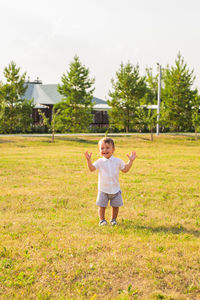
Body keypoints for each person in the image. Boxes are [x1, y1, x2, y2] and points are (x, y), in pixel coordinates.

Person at [84, 137, 136, 226]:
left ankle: (113, 220)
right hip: (103, 189)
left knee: (116, 206)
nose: (105, 150)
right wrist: (89, 161)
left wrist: (130, 161)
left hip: (115, 189)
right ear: (99, 150)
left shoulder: (117, 161)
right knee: (102, 206)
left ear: (113, 149)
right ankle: (102, 220)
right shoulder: (99, 162)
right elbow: (92, 169)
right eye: (102, 148)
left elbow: (125, 169)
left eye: (107, 148)